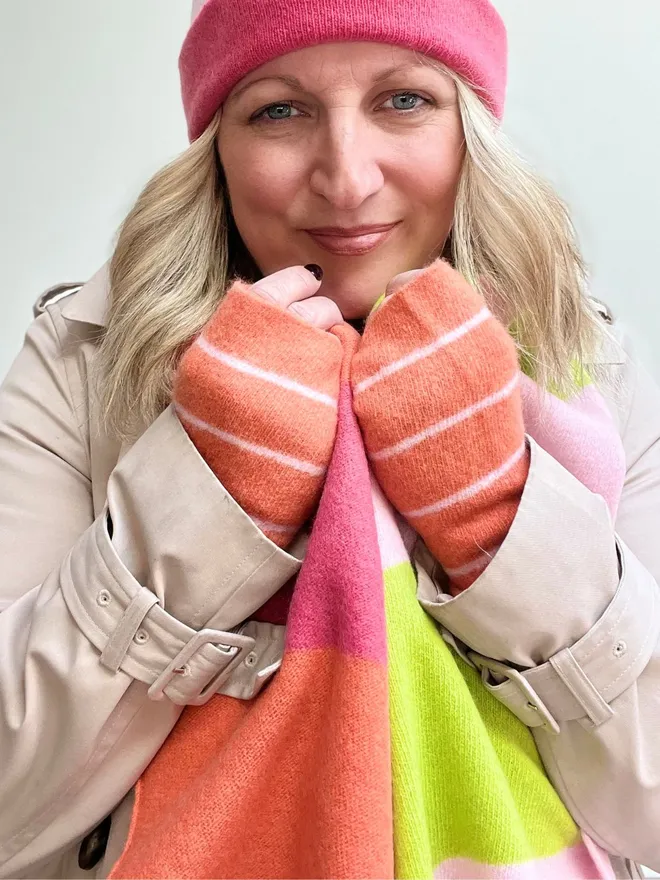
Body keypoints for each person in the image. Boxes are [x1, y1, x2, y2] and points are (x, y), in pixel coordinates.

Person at [1, 0, 659, 877]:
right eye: (280, 110)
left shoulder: (582, 368)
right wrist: (204, 500)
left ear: (471, 128)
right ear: (216, 147)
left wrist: (500, 518)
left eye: (404, 101)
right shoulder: (86, 360)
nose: (347, 179)